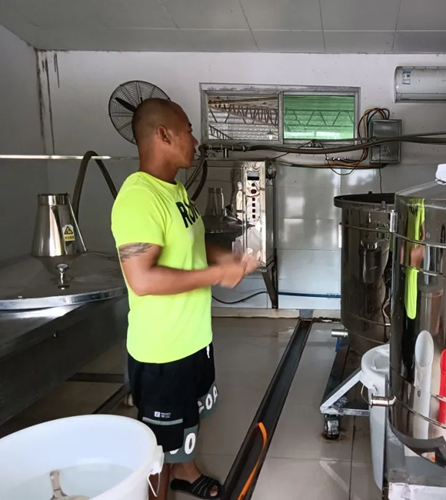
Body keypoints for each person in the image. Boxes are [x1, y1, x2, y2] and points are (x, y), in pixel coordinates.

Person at [111, 98, 258, 499]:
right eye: (189, 131)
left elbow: (189, 241)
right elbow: (142, 279)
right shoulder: (139, 197)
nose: (195, 141)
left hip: (192, 339)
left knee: (189, 419)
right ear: (163, 134)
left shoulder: (174, 190)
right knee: (158, 449)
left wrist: (223, 258)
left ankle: (186, 473)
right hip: (163, 351)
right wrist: (217, 275)